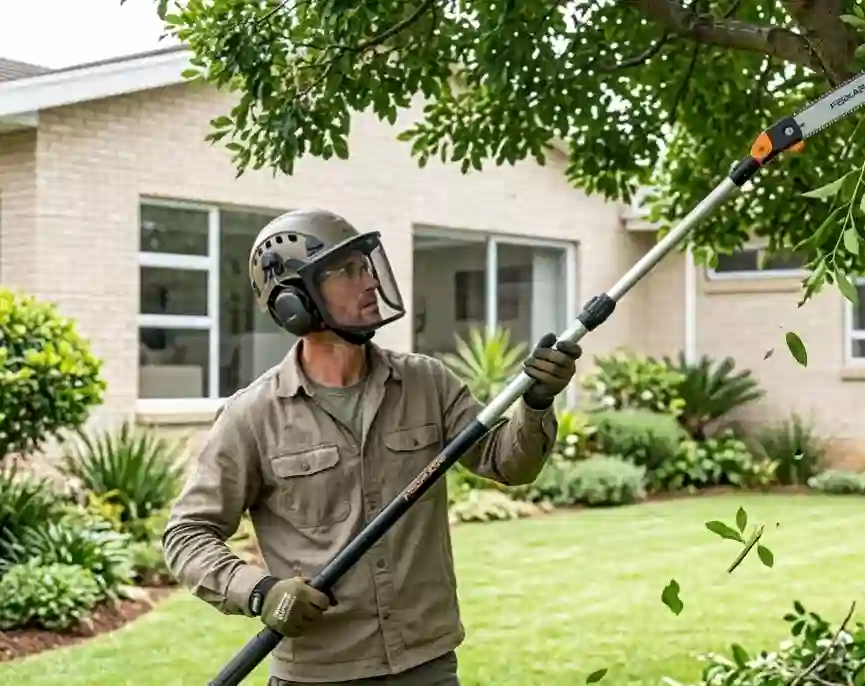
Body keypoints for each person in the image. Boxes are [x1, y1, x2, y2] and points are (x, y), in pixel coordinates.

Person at [161, 208, 581, 685]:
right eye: (346, 271)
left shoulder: (427, 383)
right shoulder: (253, 416)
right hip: (318, 673)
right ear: (293, 304)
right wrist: (260, 591)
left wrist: (538, 401)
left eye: (365, 265)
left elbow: (508, 463)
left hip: (426, 664)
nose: (368, 282)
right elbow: (188, 535)